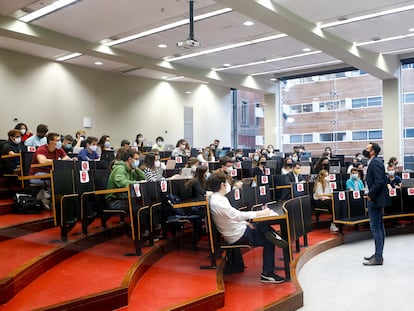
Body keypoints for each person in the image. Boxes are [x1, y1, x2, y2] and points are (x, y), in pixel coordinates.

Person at [208, 171, 287, 283]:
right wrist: (259, 214)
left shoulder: (219, 198)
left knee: (263, 225)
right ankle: (267, 274)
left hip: (239, 229)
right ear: (222, 185)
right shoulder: (218, 202)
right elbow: (237, 215)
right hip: (238, 235)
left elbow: (232, 217)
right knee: (268, 240)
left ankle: (274, 236)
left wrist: (245, 222)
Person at [362, 142, 390, 266]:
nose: (365, 150)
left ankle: (378, 257)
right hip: (375, 199)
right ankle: (378, 254)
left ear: (372, 151)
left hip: (374, 199)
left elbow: (379, 182)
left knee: (376, 227)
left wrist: (370, 195)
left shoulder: (375, 162)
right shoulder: (373, 162)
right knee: (379, 226)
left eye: (367, 148)